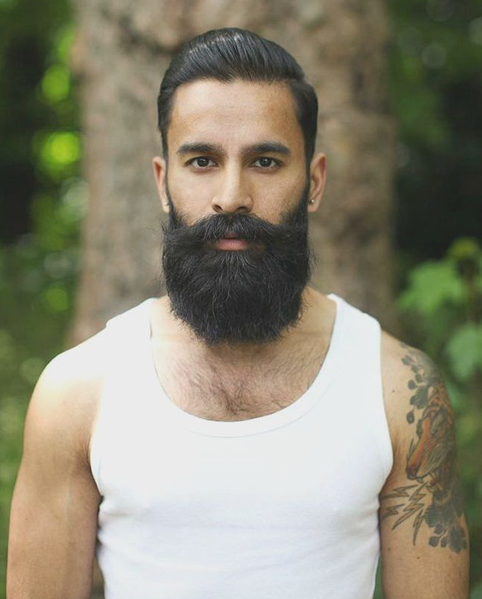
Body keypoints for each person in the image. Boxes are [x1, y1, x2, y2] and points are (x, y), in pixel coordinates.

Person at [7, 27, 469, 599]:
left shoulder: (399, 391)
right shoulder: (77, 391)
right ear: (163, 182)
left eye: (265, 162)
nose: (231, 195)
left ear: (314, 182)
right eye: (202, 161)